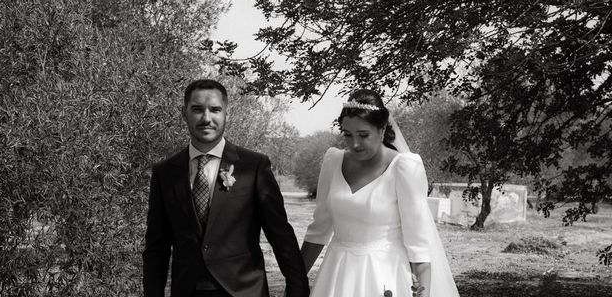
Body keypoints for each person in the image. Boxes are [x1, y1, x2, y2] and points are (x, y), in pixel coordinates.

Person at [143, 78, 310, 297]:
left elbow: (280, 235)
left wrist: (298, 288)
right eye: (197, 110)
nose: (206, 118)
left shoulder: (254, 166)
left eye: (215, 109)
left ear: (225, 114)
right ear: (184, 114)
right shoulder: (165, 172)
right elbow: (157, 246)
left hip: (243, 290)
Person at [300, 89, 459, 297]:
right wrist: (295, 281)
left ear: (382, 129)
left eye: (363, 135)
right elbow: (318, 230)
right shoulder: (333, 161)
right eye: (348, 135)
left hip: (385, 274)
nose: (354, 143)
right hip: (336, 275)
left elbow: (418, 246)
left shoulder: (403, 167)